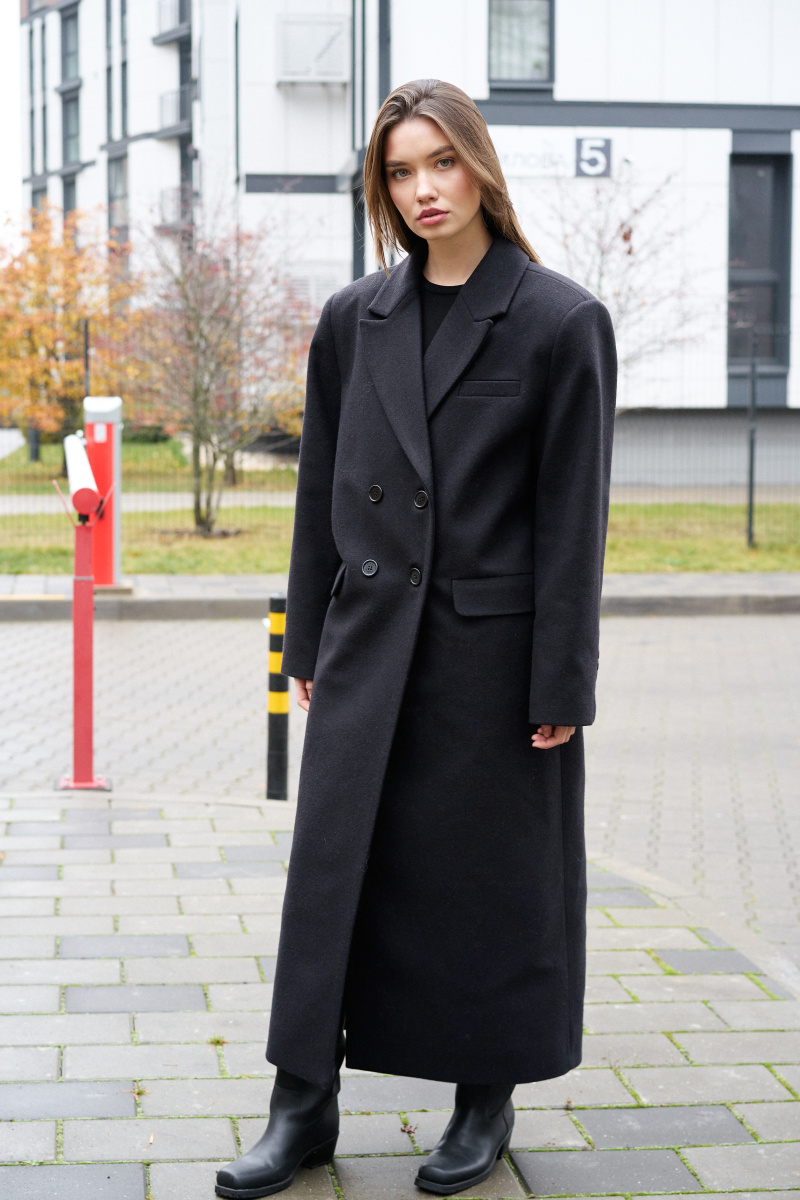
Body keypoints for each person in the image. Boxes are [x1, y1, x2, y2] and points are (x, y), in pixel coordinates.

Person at [216, 78, 616, 1199]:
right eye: (400, 171)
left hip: (492, 662)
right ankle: (301, 1107)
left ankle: (482, 1101)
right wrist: (304, 642)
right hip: (367, 643)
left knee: (488, 884)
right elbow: (319, 491)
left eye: (441, 162)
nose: (423, 188)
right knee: (331, 874)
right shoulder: (355, 318)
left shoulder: (558, 318)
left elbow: (573, 520)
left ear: (479, 166)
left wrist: (561, 681)